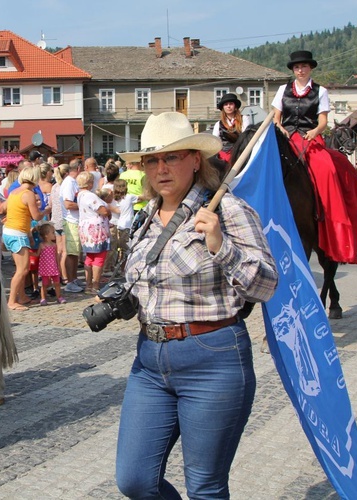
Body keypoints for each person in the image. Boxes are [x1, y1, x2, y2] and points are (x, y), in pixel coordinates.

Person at [114, 112, 277, 498]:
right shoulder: (144, 218)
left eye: (171, 157)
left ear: (194, 160)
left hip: (213, 358)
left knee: (204, 486)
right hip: (150, 361)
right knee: (135, 480)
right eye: (151, 160)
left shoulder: (226, 210)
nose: (160, 168)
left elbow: (266, 284)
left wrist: (221, 245)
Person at [272, 50, 357, 264]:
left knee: (327, 168)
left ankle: (324, 214)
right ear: (293, 70)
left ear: (311, 68)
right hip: (285, 137)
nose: (300, 70)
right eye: (297, 67)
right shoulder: (282, 90)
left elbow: (323, 121)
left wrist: (314, 133)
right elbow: (276, 117)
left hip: (309, 137)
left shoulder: (321, 91)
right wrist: (281, 128)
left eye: (304, 66)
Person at [3, 166, 48, 310]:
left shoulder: (13, 192)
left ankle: (21, 296)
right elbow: (36, 216)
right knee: (22, 269)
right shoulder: (28, 193)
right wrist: (46, 210)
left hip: (10, 231)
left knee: (22, 268)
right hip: (18, 233)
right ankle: (12, 301)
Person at [61, 160, 84, 293]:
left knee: (75, 252)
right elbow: (68, 204)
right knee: (71, 252)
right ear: (79, 168)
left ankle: (74, 278)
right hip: (71, 220)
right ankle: (69, 281)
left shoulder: (73, 181)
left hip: (76, 220)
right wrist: (84, 205)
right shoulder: (69, 182)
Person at [210, 92, 252, 162]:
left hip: (240, 154)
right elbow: (215, 141)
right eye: (226, 104)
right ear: (223, 108)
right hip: (223, 157)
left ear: (235, 106)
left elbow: (246, 137)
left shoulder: (244, 119)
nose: (228, 106)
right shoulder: (218, 124)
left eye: (231, 104)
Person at [35, 222, 65, 305]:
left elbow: (56, 256)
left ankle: (59, 297)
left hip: (53, 267)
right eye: (52, 232)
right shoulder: (42, 245)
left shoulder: (54, 245)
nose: (54, 234)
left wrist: (58, 265)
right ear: (46, 235)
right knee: (44, 284)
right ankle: (43, 298)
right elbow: (37, 255)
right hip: (45, 267)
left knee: (57, 283)